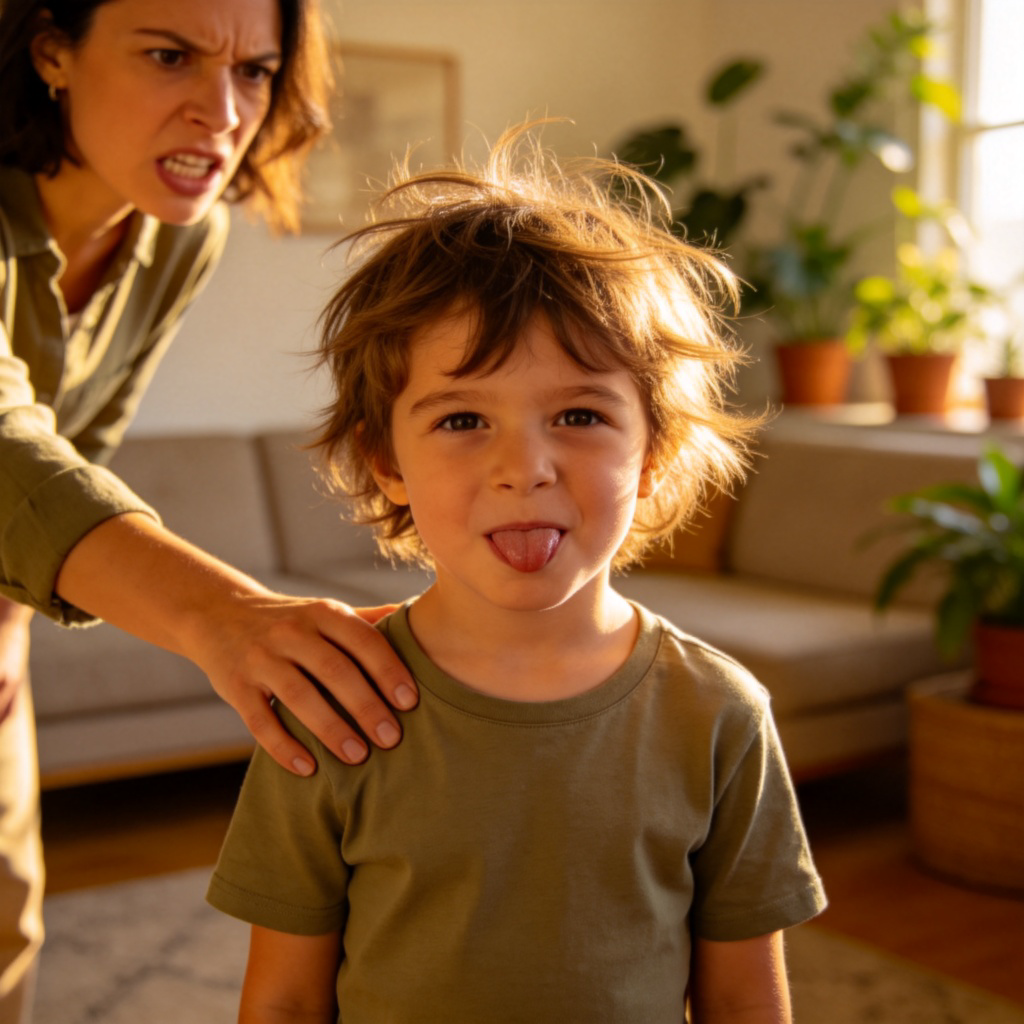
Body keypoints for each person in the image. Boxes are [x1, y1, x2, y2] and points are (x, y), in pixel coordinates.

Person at [207, 123, 828, 1024]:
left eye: (579, 414)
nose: (524, 468)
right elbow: (285, 1001)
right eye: (462, 421)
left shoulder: (721, 715)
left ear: (652, 452)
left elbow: (744, 1002)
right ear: (387, 460)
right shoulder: (334, 702)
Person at [0, 1, 420, 1019]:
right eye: (168, 57)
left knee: (7, 923)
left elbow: (76, 440)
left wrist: (9, 631)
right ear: (50, 49)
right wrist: (228, 617)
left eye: (253, 72)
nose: (220, 111)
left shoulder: (181, 239)